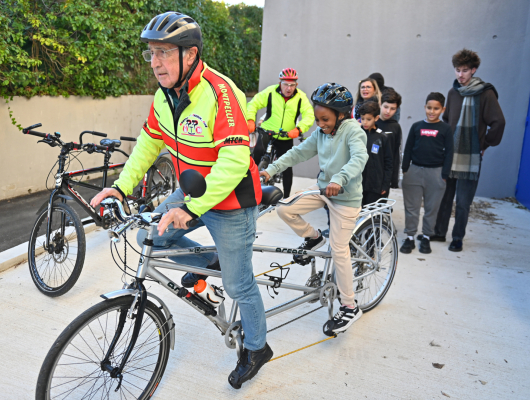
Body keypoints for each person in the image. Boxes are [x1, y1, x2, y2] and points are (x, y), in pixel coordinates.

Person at [90, 12, 271, 389]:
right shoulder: (164, 96)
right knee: (149, 237)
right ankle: (211, 260)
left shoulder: (221, 93)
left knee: (239, 286)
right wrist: (122, 188)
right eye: (151, 53)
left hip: (232, 198)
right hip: (193, 188)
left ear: (190, 55)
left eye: (163, 53)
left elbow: (235, 160)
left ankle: (256, 348)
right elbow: (148, 143)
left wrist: (189, 210)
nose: (155, 63)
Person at [259, 83, 368, 334]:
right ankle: (313, 237)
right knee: (285, 209)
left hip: (345, 198)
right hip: (323, 191)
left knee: (339, 249)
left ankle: (350, 307)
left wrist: (338, 180)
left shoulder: (353, 132)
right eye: (317, 119)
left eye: (325, 119)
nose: (320, 124)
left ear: (341, 115)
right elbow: (297, 153)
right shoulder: (320, 133)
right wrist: (271, 170)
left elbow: (359, 159)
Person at [429, 49, 505, 252]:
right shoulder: (453, 93)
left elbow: (498, 122)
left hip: (470, 156)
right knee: (445, 196)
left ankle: (457, 238)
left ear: (474, 70)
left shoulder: (485, 93)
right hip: (450, 154)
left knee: (463, 201)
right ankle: (438, 232)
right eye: (457, 70)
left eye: (464, 70)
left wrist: (484, 144)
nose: (460, 75)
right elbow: (446, 122)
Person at [247, 68, 315, 198]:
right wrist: (250, 119)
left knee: (287, 166)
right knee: (255, 157)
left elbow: (309, 115)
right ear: (280, 83)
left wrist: (299, 129)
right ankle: (248, 189)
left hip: (286, 135)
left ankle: (286, 197)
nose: (288, 88)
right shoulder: (271, 92)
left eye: (292, 85)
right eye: (285, 84)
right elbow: (253, 103)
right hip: (267, 131)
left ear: (296, 85)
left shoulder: (301, 97)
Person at [400, 92, 453, 254]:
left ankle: (426, 237)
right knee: (411, 207)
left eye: (436, 109)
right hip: (414, 171)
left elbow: (450, 152)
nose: (432, 111)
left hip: (436, 173)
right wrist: (405, 169)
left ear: (442, 109)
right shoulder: (416, 126)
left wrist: (444, 174)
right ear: (425, 107)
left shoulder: (446, 128)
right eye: (429, 108)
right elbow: (408, 148)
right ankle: (410, 237)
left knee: (432, 208)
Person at [358, 101, 393, 205]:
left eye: (368, 119)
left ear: (376, 118)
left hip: (375, 186)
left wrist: (385, 184)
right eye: (362, 119)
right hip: (357, 185)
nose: (365, 122)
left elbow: (389, 163)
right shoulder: (356, 134)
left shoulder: (383, 137)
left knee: (372, 216)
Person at [375, 89, 403, 189]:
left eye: (392, 109)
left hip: (385, 176)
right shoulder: (371, 123)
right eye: (386, 107)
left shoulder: (395, 127)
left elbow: (396, 153)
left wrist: (394, 179)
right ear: (380, 104)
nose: (388, 111)